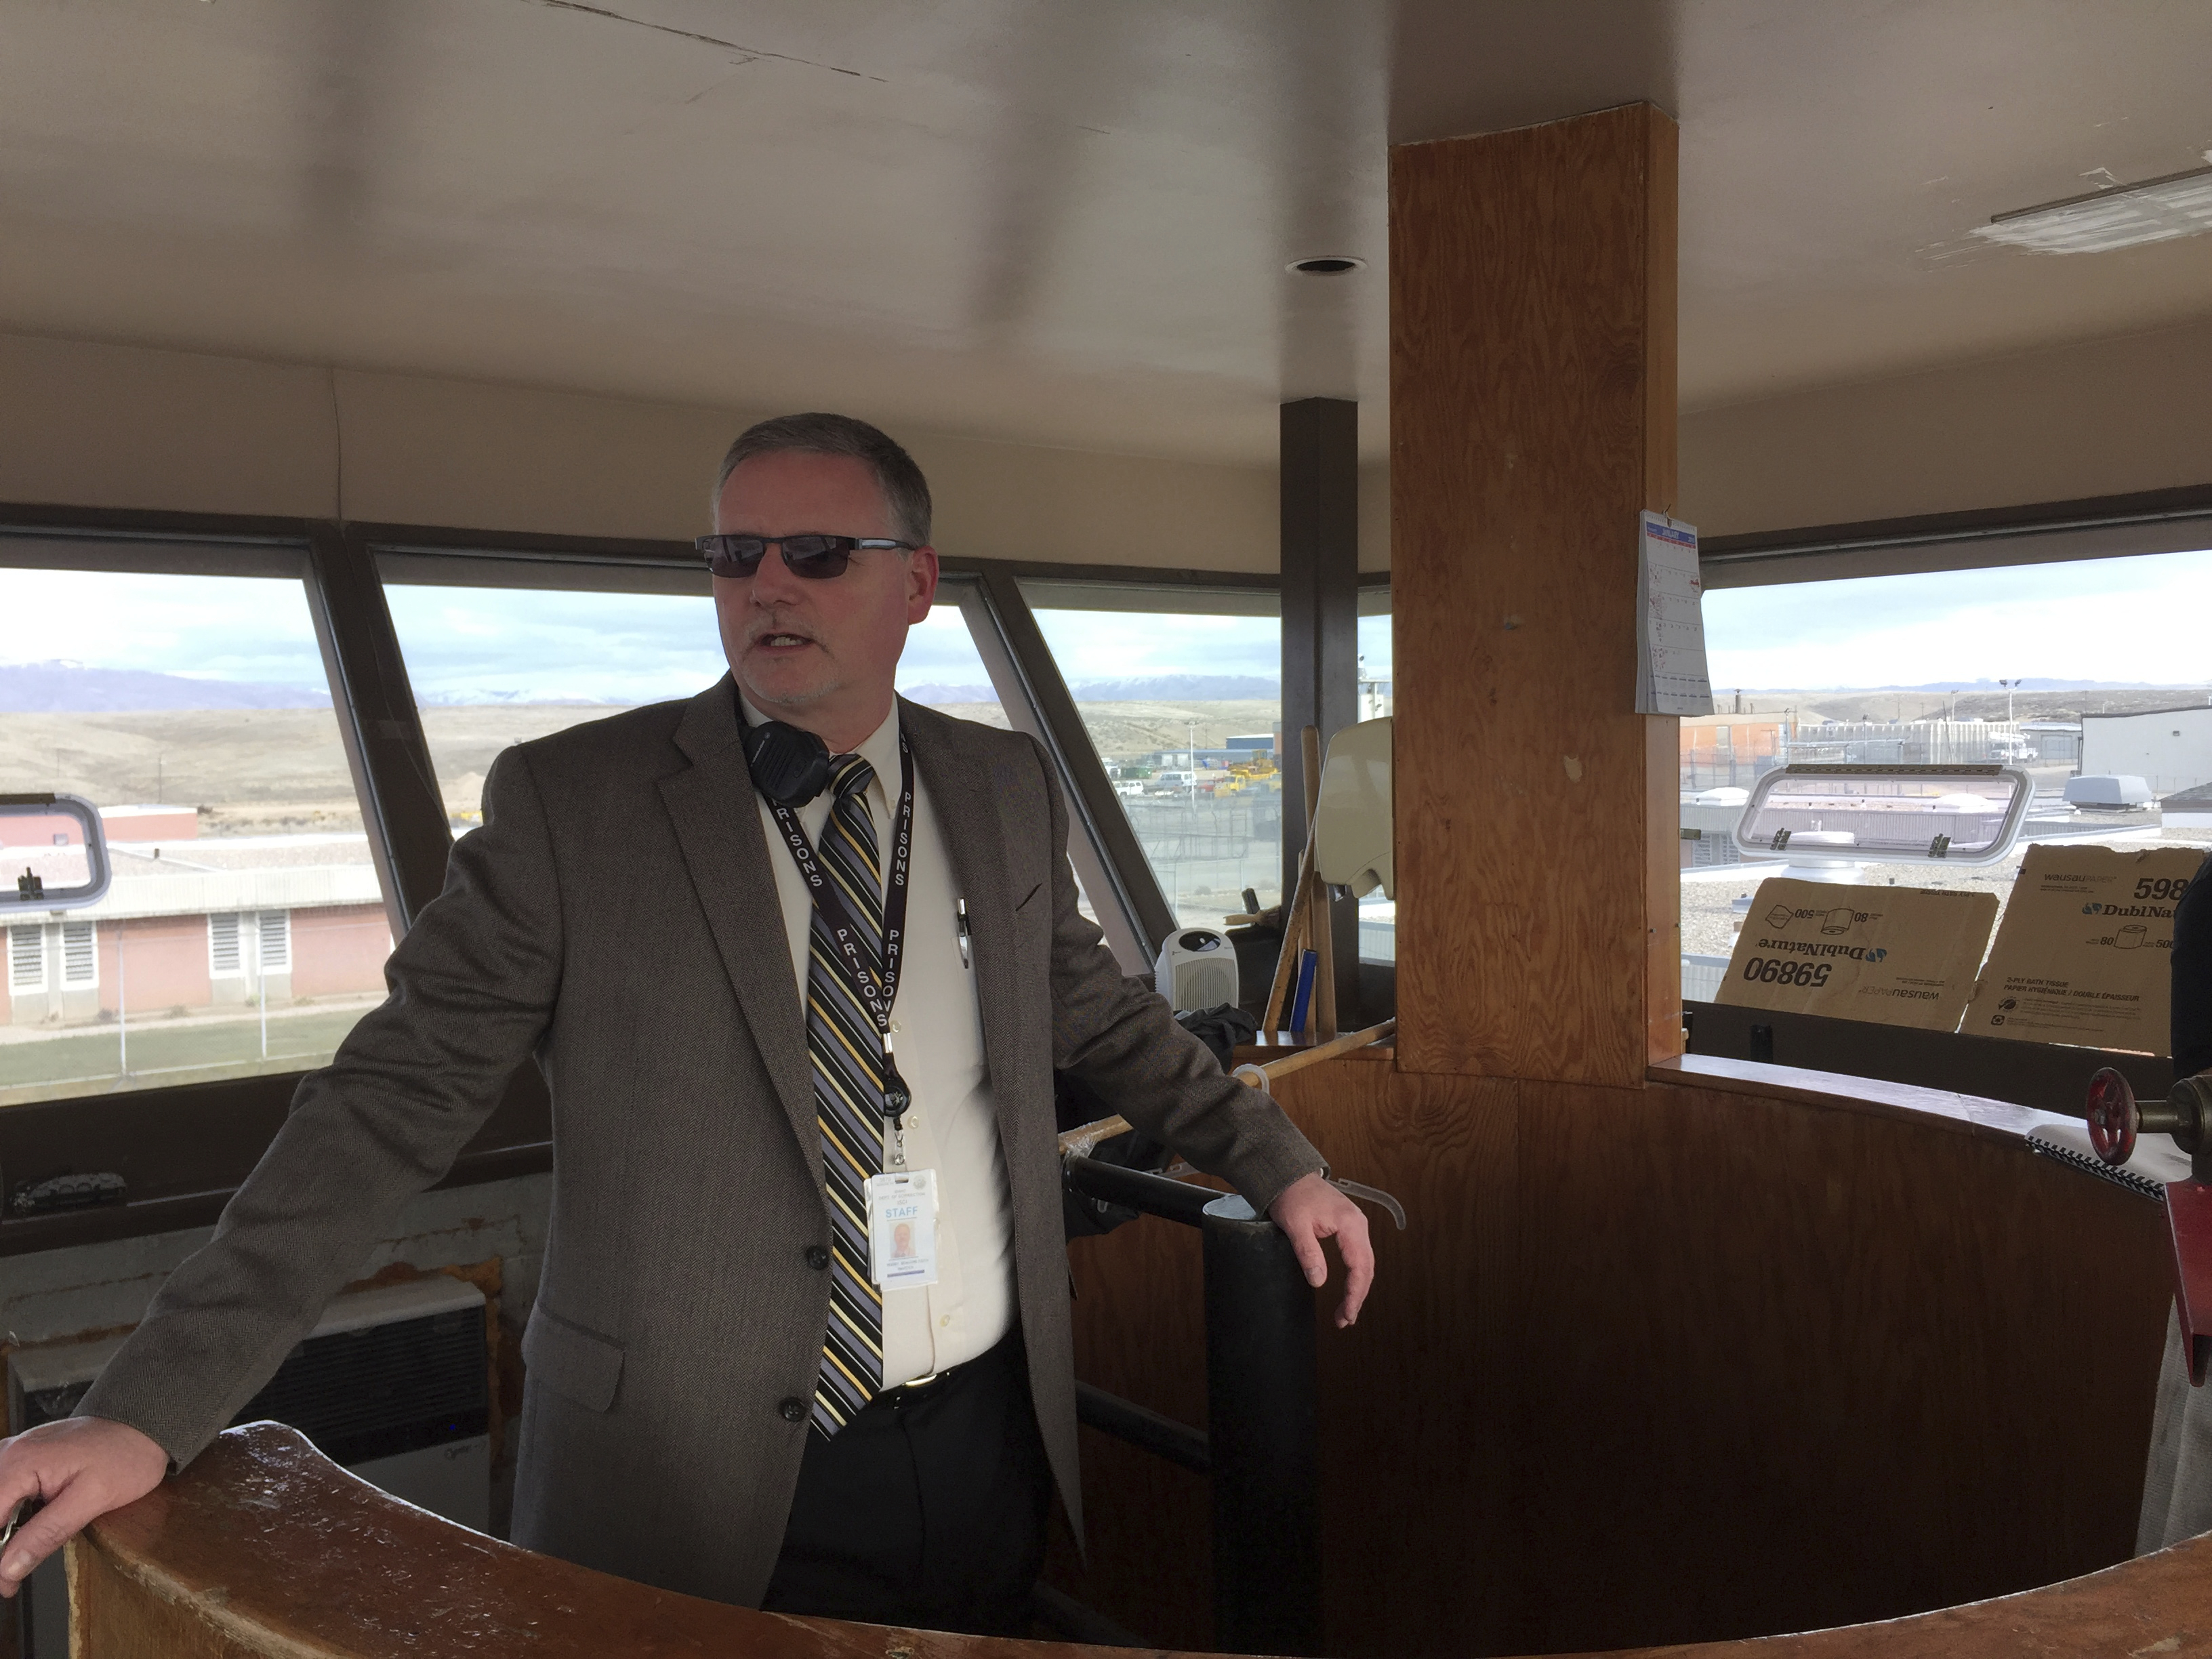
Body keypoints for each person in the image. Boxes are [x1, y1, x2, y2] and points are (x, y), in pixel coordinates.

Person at [0, 413, 1373, 1634]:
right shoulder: (575, 809)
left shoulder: (1000, 783)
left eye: (817, 553)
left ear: (917, 583)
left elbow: (1103, 1009)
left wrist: (1276, 1163)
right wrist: (146, 1405)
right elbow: (384, 1111)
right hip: (688, 1479)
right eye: (735, 553)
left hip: (982, 1436)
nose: (768, 583)